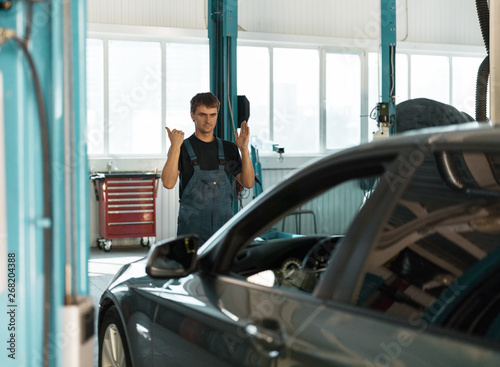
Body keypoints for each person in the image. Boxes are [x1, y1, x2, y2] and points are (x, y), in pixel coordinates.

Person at [162, 92, 255, 243]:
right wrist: (174, 148)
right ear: (192, 115)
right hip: (191, 230)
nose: (208, 120)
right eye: (202, 115)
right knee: (193, 266)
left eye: (212, 115)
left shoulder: (228, 148)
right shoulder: (182, 148)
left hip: (223, 229)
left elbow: (248, 182)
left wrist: (244, 150)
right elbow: (168, 183)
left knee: (222, 267)